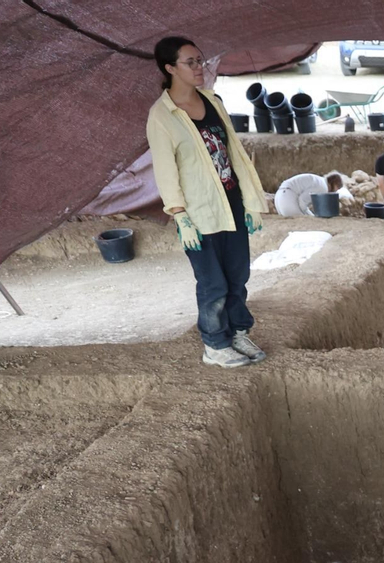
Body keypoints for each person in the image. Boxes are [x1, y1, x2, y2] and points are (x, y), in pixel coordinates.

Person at [146, 36, 267, 369]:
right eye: (191, 63)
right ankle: (215, 345)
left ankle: (238, 333)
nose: (200, 68)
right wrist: (180, 216)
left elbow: (235, 153)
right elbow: (165, 171)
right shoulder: (162, 116)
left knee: (237, 277)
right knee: (213, 282)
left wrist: (251, 201)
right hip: (199, 214)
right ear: (170, 68)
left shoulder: (212, 101)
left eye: (201, 61)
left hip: (230, 205)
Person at [273, 171, 344, 217]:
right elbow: (302, 201)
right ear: (334, 184)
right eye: (336, 189)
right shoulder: (323, 187)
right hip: (288, 197)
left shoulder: (319, 181)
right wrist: (312, 216)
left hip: (280, 195)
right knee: (300, 222)